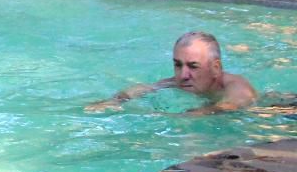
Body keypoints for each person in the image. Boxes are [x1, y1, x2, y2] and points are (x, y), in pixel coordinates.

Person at [87, 31, 258, 114]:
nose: (183, 75)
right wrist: (114, 101)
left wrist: (172, 117)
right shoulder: (183, 80)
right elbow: (148, 87)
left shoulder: (237, 87)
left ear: (215, 68)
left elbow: (226, 107)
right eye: (178, 65)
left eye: (193, 66)